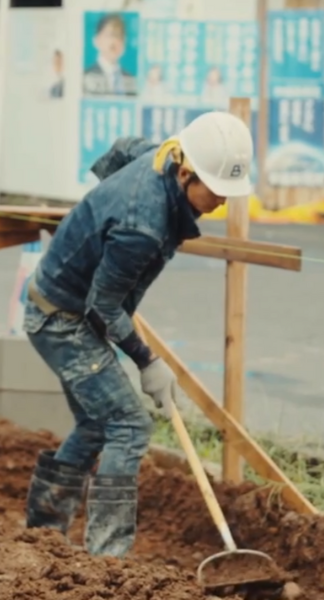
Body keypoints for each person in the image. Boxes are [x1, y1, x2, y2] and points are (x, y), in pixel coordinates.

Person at [22, 110, 254, 558]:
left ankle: (43, 532)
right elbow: (102, 307)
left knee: (96, 423)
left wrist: (95, 219)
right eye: (218, 190)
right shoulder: (141, 228)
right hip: (60, 319)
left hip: (65, 302)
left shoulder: (160, 156)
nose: (223, 201)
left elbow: (123, 148)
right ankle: (109, 558)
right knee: (129, 424)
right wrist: (147, 360)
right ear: (186, 173)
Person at [83, 13, 137, 96]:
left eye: (119, 36)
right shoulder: (85, 77)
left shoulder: (131, 79)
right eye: (109, 35)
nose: (114, 41)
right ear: (97, 40)